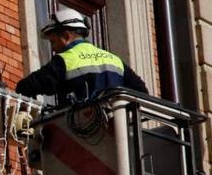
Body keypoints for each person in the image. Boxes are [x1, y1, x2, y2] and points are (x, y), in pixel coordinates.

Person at [15, 8, 148, 106]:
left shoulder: (65, 60)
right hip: (116, 134)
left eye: (53, 42)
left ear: (66, 36)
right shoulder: (114, 59)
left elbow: (25, 87)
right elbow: (142, 93)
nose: (53, 48)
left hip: (80, 135)